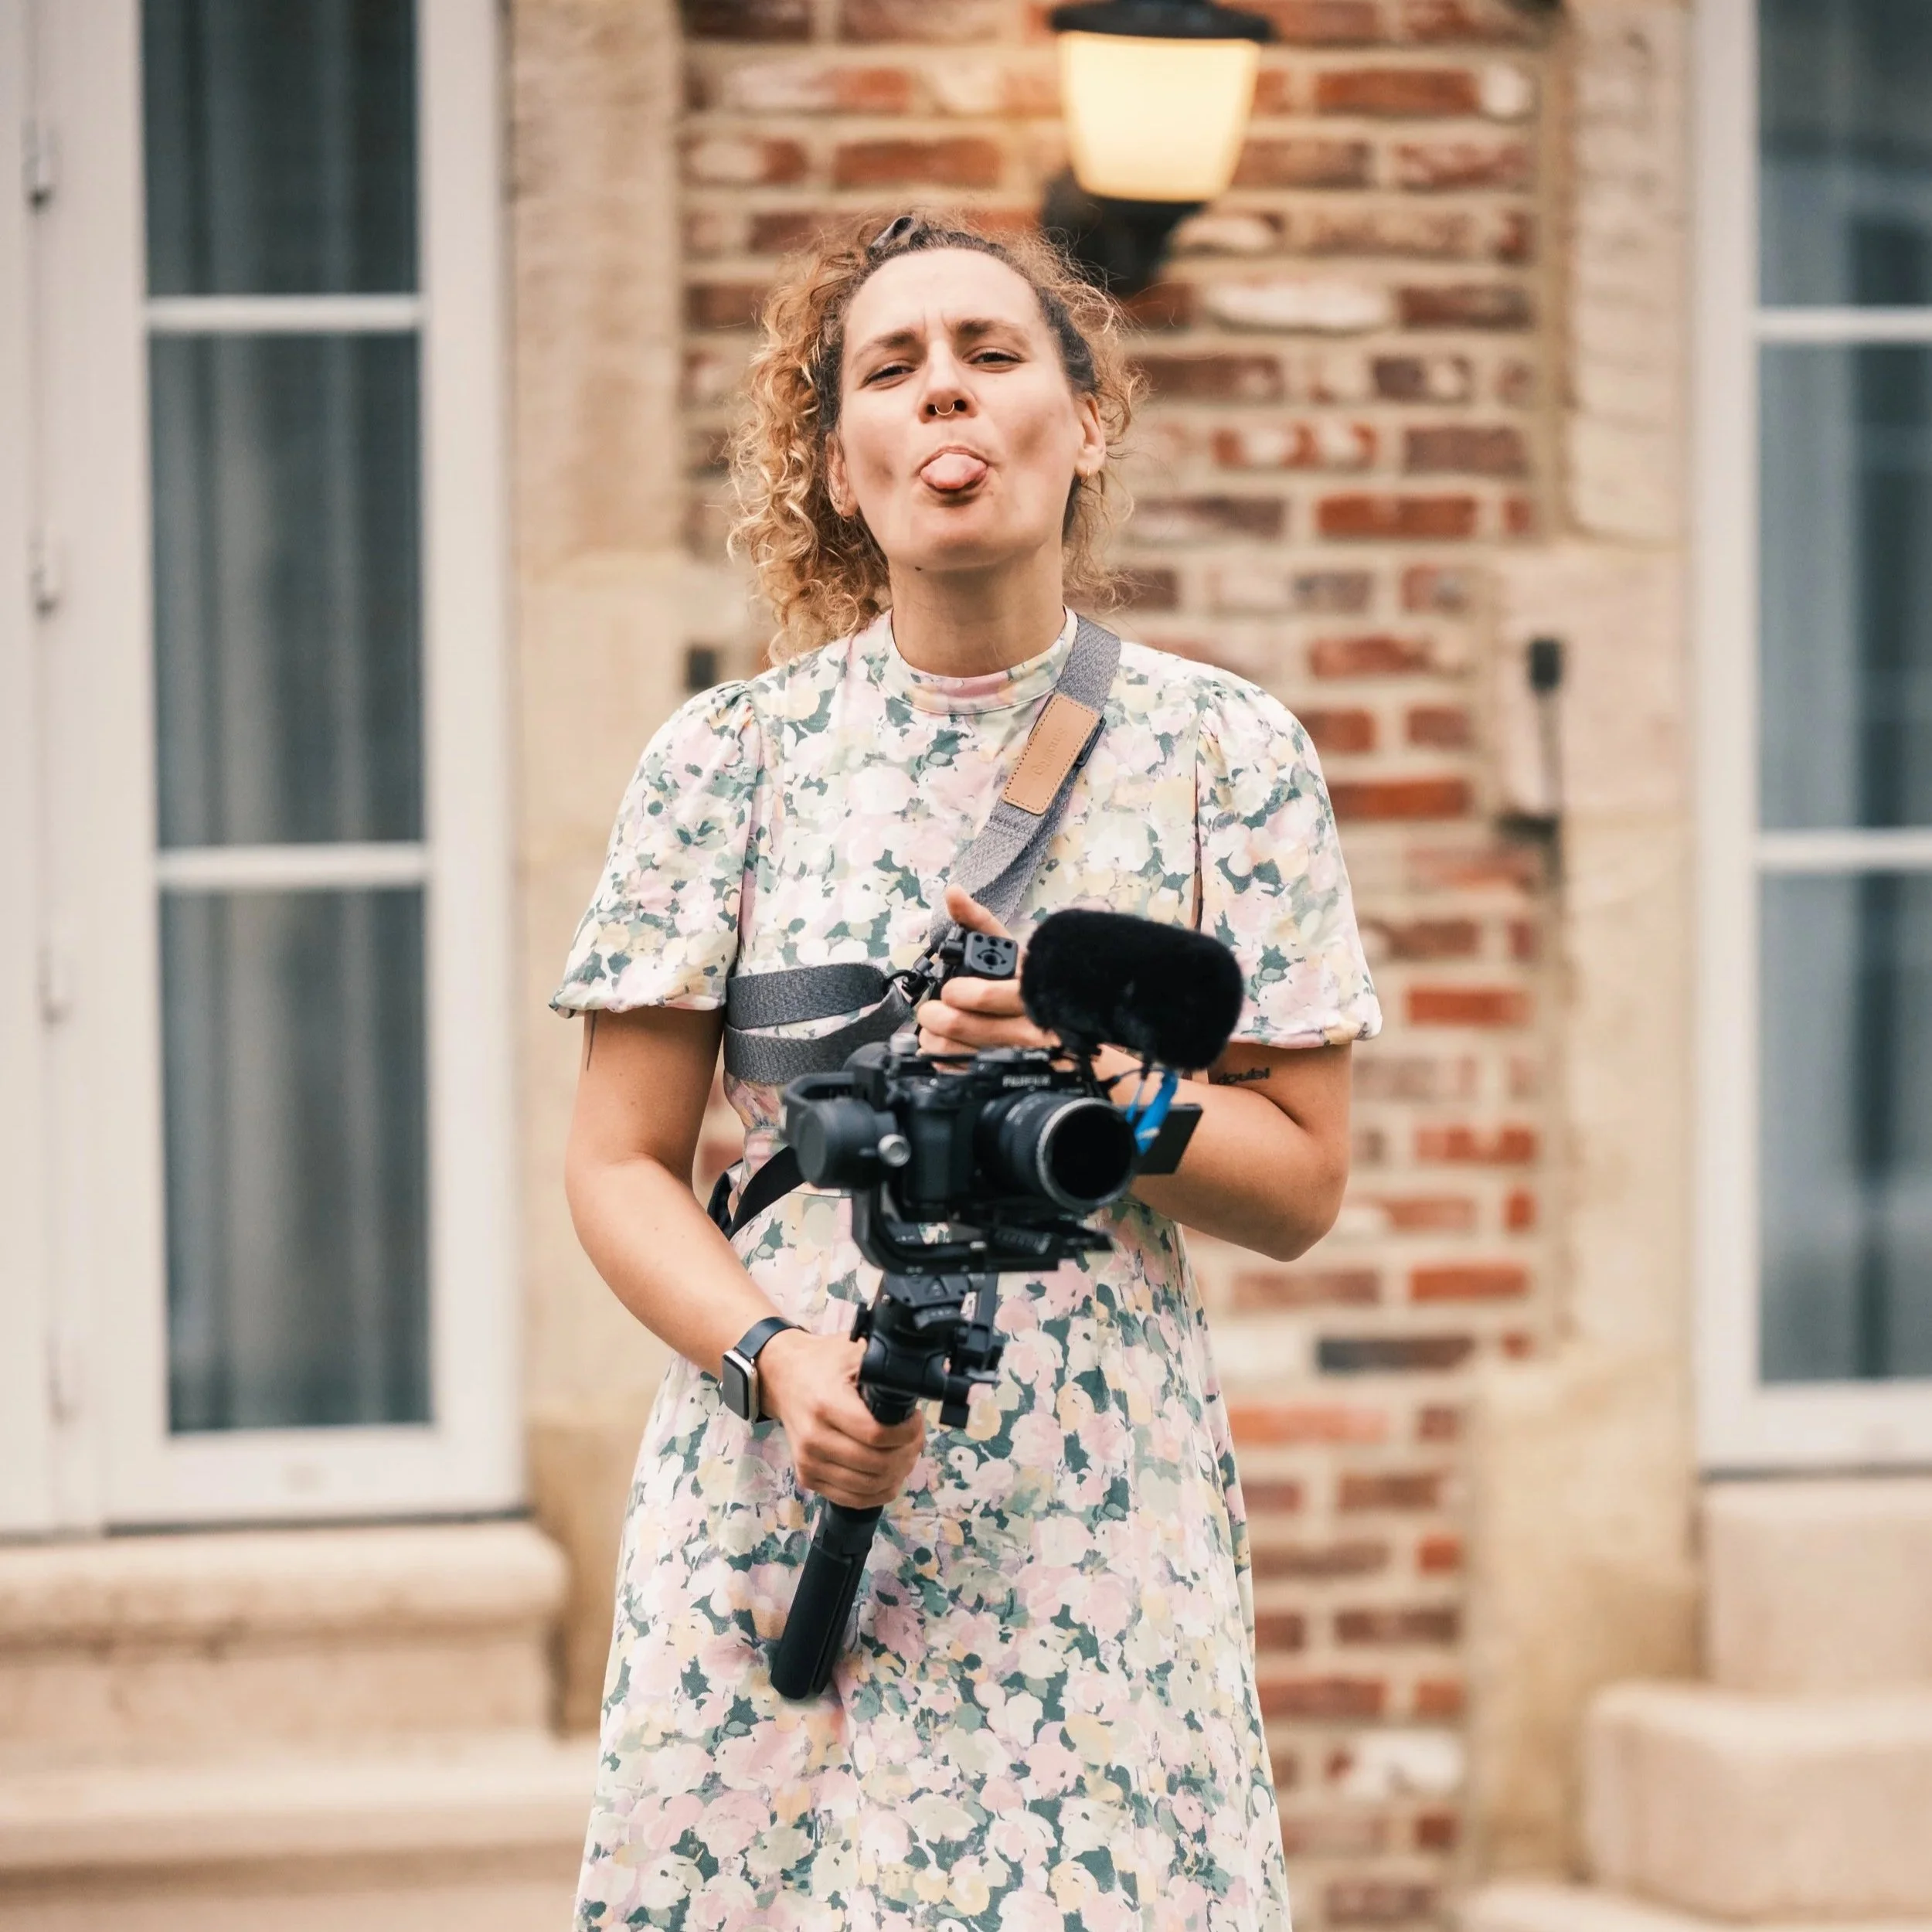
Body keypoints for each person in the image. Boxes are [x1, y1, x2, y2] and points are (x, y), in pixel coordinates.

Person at [555, 211, 1380, 1932]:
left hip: (1091, 1505)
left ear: (1083, 427)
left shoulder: (1228, 753)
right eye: (892, 367)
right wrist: (774, 1368)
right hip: (787, 1473)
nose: (947, 394)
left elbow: (1300, 1181)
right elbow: (618, 1162)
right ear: (839, 466)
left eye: (993, 355)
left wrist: (1094, 1076)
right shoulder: (724, 761)